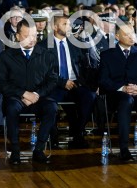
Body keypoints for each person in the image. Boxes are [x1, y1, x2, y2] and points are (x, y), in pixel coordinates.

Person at [0, 19, 58, 164]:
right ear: (17, 36)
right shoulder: (7, 56)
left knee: (52, 108)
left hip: (39, 97)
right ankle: (15, 151)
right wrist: (23, 93)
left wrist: (36, 94)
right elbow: (0, 83)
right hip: (16, 98)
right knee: (11, 108)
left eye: (34, 36)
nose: (32, 39)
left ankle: (39, 150)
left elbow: (52, 81)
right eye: (27, 36)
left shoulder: (47, 55)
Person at [99, 23, 137, 161]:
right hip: (117, 95)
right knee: (126, 100)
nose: (132, 37)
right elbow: (103, 80)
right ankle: (124, 148)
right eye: (127, 34)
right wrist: (122, 88)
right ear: (117, 36)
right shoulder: (107, 55)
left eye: (132, 33)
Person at [41, 15, 96, 148]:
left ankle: (78, 133)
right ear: (54, 27)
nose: (69, 27)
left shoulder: (75, 44)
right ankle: (52, 137)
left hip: (74, 83)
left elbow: (84, 66)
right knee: (50, 102)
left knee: (90, 96)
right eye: (65, 24)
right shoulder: (43, 46)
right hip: (54, 85)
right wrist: (62, 82)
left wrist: (89, 84)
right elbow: (43, 71)